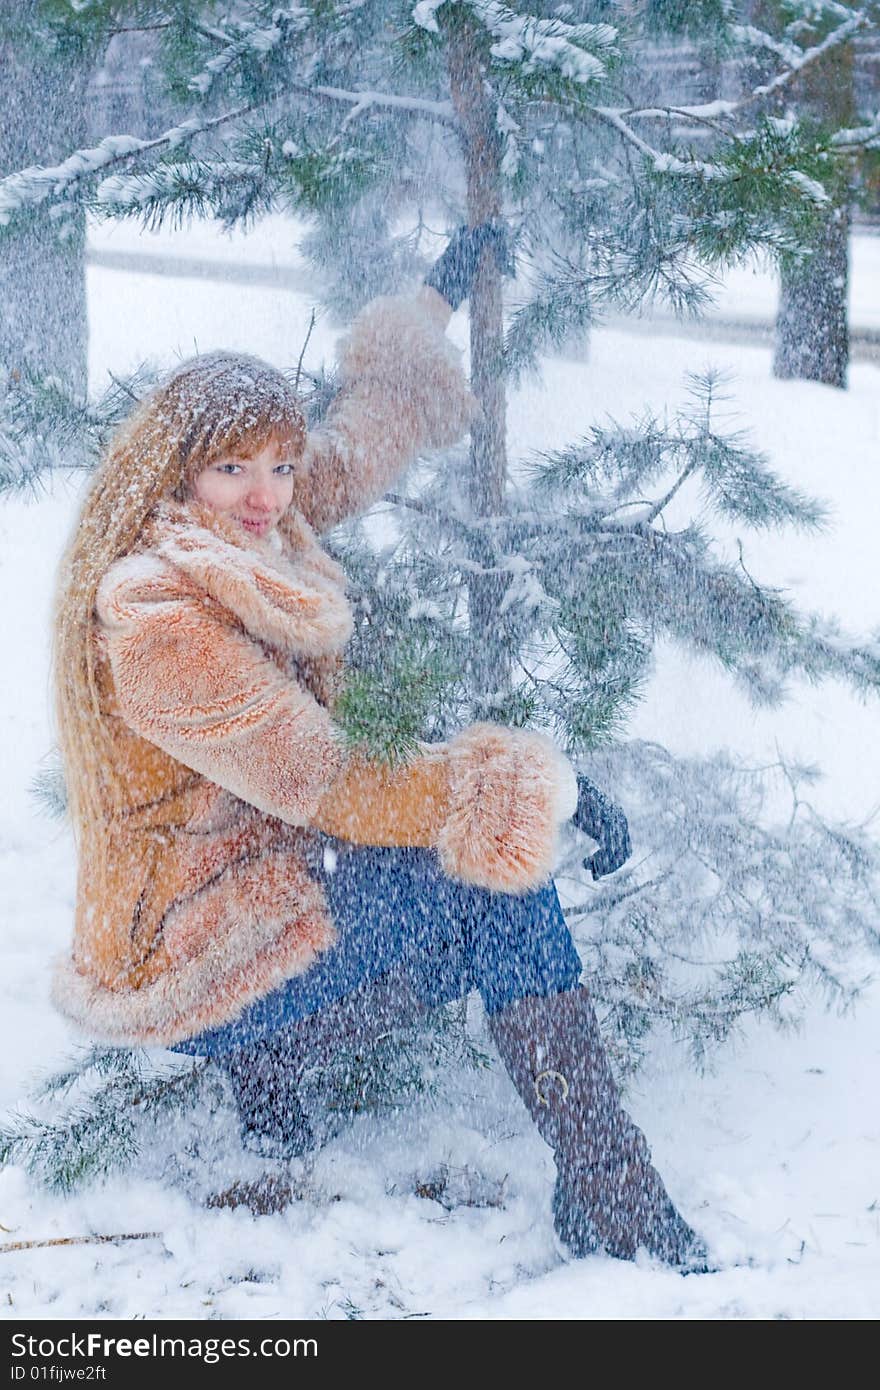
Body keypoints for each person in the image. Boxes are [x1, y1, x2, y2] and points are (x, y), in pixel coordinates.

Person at [51, 225, 704, 1269]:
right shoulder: (155, 613)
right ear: (176, 473)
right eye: (233, 467)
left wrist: (430, 308)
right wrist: (547, 786)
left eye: (277, 463)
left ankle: (269, 1074)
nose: (268, 492)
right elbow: (328, 780)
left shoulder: (237, 532)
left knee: (478, 888)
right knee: (499, 886)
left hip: (244, 887)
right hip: (186, 949)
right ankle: (610, 1189)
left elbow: (354, 446)